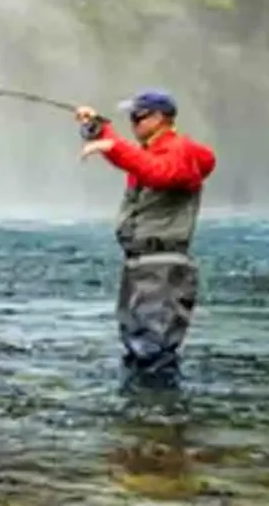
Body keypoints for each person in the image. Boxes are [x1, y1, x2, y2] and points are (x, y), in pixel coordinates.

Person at [74, 89, 217, 388]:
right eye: (131, 117)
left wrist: (111, 145)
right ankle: (144, 426)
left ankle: (159, 425)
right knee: (138, 350)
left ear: (161, 118)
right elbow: (139, 161)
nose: (133, 122)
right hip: (143, 266)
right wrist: (99, 129)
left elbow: (159, 173)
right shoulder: (154, 151)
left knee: (153, 354)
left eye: (138, 116)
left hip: (162, 267)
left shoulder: (180, 151)